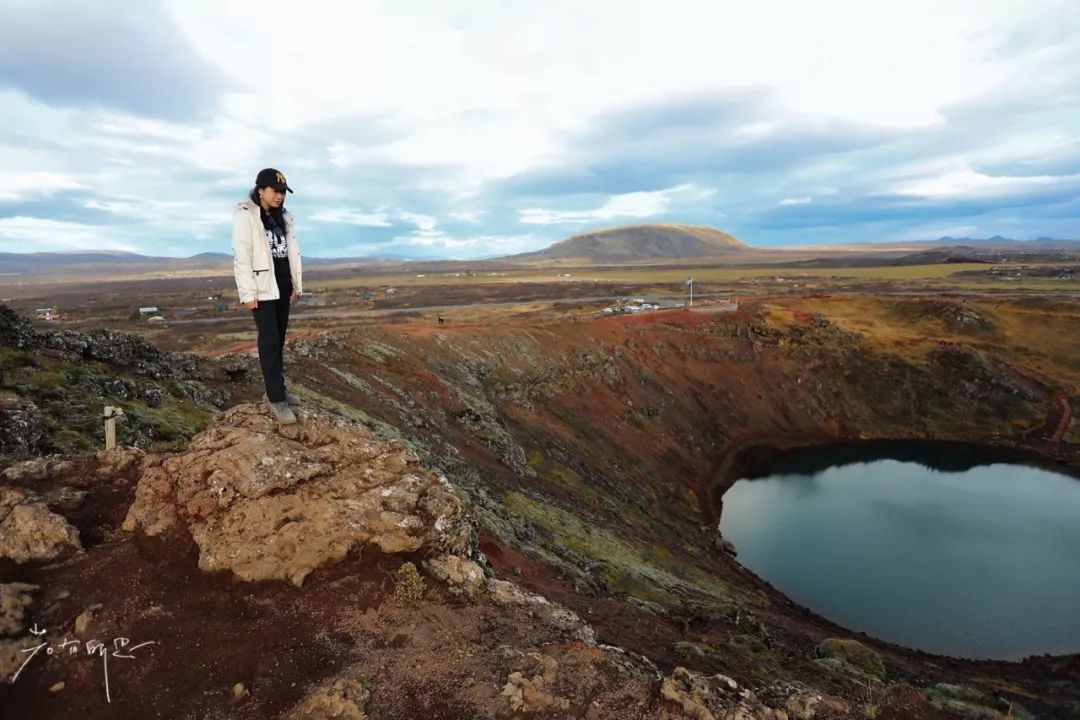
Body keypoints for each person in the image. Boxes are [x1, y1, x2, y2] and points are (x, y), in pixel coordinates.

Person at [231, 168, 303, 424]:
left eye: (283, 192)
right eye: (275, 191)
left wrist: (294, 283)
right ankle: (275, 399)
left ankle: (278, 389)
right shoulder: (246, 217)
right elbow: (242, 257)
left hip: (282, 285)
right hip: (261, 288)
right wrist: (247, 293)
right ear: (260, 190)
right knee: (270, 340)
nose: (280, 196)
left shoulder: (284, 218)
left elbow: (289, 253)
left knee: (279, 339)